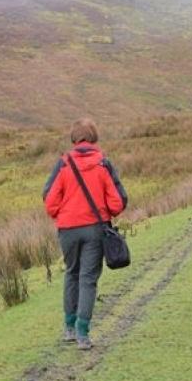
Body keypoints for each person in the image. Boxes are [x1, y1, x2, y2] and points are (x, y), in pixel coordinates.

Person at [43, 118, 127, 350]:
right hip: (94, 229)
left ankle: (68, 328)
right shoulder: (103, 164)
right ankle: (83, 334)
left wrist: (65, 214)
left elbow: (50, 202)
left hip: (67, 230)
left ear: (74, 138)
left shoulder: (63, 164)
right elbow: (117, 203)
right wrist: (104, 211)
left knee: (72, 273)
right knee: (88, 279)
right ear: (93, 137)